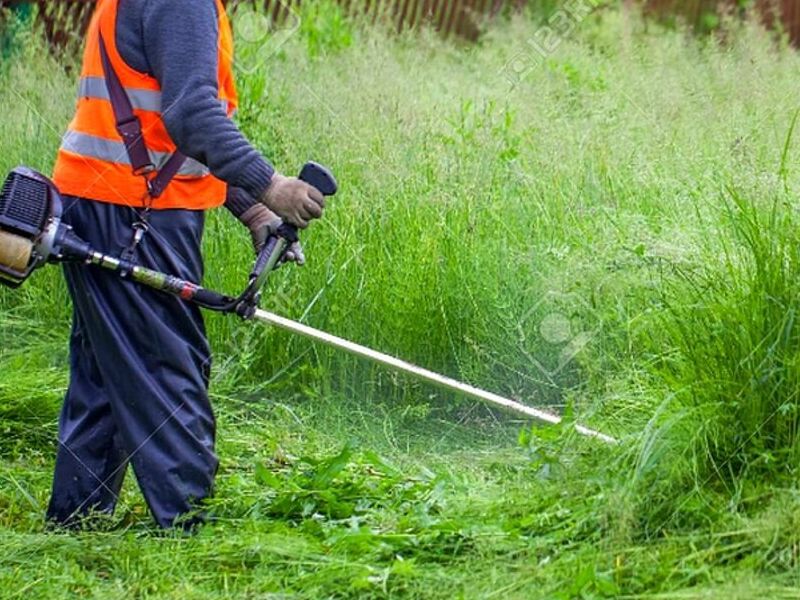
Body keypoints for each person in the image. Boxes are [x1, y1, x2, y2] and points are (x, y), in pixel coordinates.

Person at [46, 0, 325, 529]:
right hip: (135, 212)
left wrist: (252, 208)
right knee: (167, 365)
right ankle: (191, 525)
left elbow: (164, 134)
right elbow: (191, 113)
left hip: (105, 201)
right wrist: (272, 184)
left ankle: (77, 521)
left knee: (107, 370)